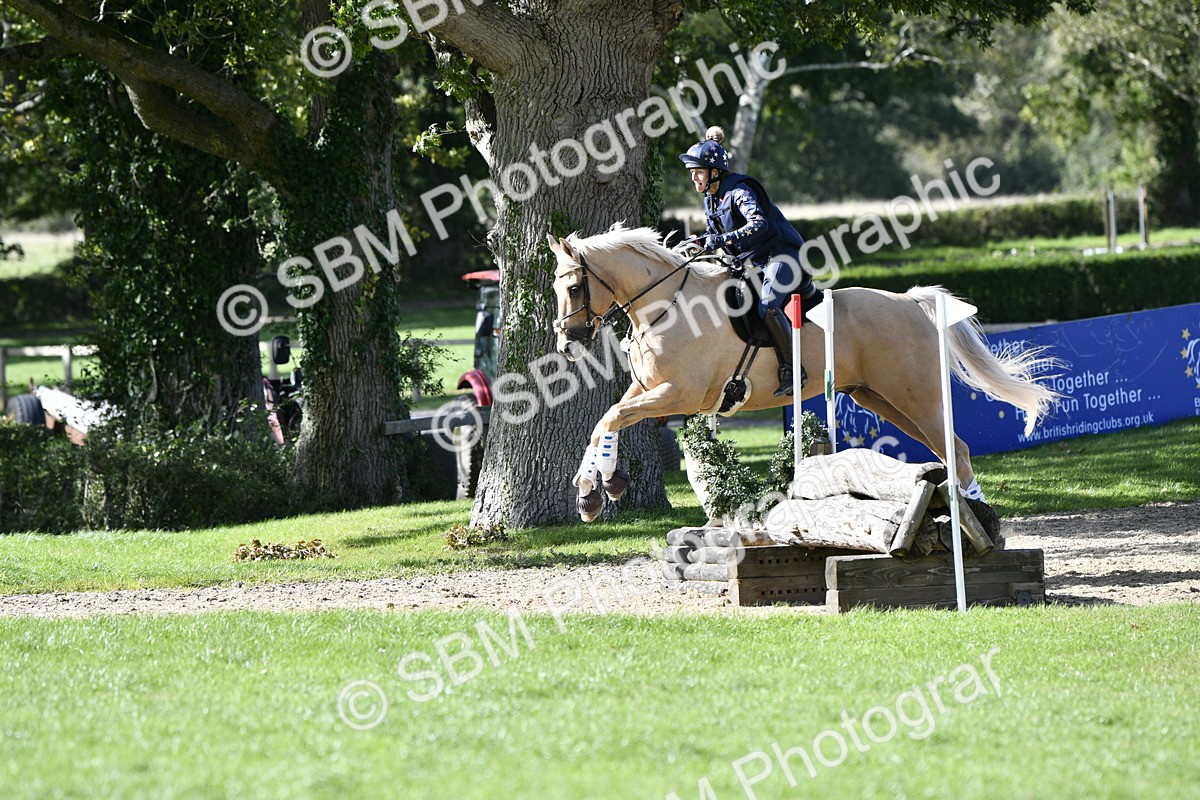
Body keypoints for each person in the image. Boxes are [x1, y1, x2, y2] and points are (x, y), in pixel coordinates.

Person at [679, 126, 816, 397]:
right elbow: (715, 234)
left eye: (698, 172)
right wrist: (699, 241)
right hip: (755, 261)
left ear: (714, 171)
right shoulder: (711, 198)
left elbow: (758, 224)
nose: (693, 178)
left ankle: (793, 370)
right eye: (692, 172)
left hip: (782, 255)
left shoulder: (739, 191)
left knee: (768, 306)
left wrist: (717, 241)